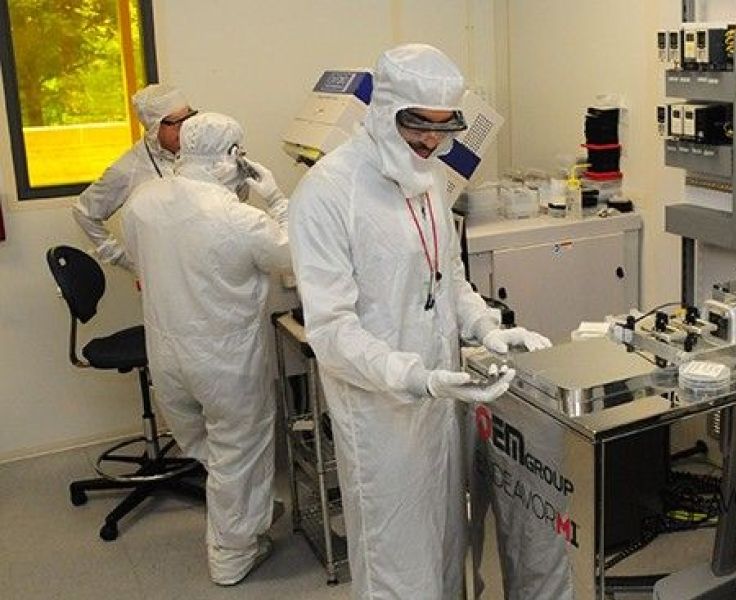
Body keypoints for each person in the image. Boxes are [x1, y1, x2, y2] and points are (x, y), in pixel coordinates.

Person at [289, 43, 552, 598]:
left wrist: (485, 328)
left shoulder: (426, 178)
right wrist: (415, 377)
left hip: (439, 404)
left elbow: (448, 278)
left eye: (443, 127)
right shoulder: (329, 192)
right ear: (385, 109)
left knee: (446, 548)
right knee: (398, 565)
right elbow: (331, 332)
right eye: (418, 125)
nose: (431, 141)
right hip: (379, 415)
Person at [121, 112, 290, 586]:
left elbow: (140, 258)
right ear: (233, 156)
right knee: (239, 450)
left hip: (167, 354)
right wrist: (277, 200)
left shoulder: (143, 201)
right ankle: (233, 555)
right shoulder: (239, 219)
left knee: (213, 450)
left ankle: (246, 514)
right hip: (225, 361)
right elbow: (296, 255)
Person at [73, 83, 195, 271]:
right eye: (176, 123)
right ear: (154, 127)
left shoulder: (198, 150)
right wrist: (123, 258)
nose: (185, 129)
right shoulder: (129, 168)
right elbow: (83, 212)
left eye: (188, 118)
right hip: (161, 270)